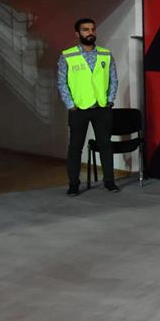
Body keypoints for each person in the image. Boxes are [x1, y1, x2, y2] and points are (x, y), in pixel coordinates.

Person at [59, 18, 118, 195]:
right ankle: (73, 184)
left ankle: (109, 181)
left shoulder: (106, 54)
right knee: (75, 148)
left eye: (92, 29)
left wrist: (109, 100)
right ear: (77, 34)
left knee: (105, 145)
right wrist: (70, 105)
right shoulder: (67, 55)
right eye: (85, 29)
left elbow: (113, 79)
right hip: (79, 109)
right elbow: (62, 82)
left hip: (102, 108)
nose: (90, 32)